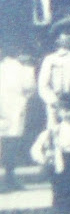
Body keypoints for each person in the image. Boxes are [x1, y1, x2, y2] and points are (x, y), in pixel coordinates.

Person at [0, 43, 37, 191]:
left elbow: (29, 88)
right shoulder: (21, 68)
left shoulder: (16, 68)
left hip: (10, 110)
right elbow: (29, 89)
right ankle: (8, 177)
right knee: (9, 143)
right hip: (12, 110)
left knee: (8, 143)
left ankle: (8, 178)